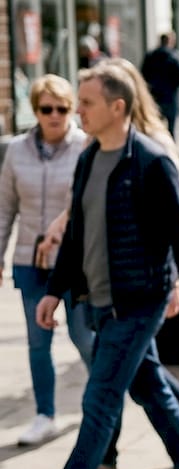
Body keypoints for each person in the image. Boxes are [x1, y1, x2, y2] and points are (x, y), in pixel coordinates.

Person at [4, 63, 179, 469]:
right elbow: (75, 236)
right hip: (99, 301)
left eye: (88, 102)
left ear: (117, 107)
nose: (79, 110)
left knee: (98, 398)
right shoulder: (90, 158)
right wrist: (54, 291)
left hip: (139, 302)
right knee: (150, 386)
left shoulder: (151, 162)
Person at [0, 75, 95, 447]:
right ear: (35, 110)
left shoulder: (84, 147)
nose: (54, 116)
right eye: (46, 109)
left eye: (62, 108)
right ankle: (45, 415)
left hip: (73, 262)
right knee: (37, 342)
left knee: (82, 337)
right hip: (29, 260)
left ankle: (102, 403)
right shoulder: (17, 150)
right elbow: (5, 208)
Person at [140, 31, 179, 137]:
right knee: (171, 127)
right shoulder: (174, 56)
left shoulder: (151, 55)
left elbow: (143, 74)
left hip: (154, 95)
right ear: (170, 41)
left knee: (155, 125)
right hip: (170, 96)